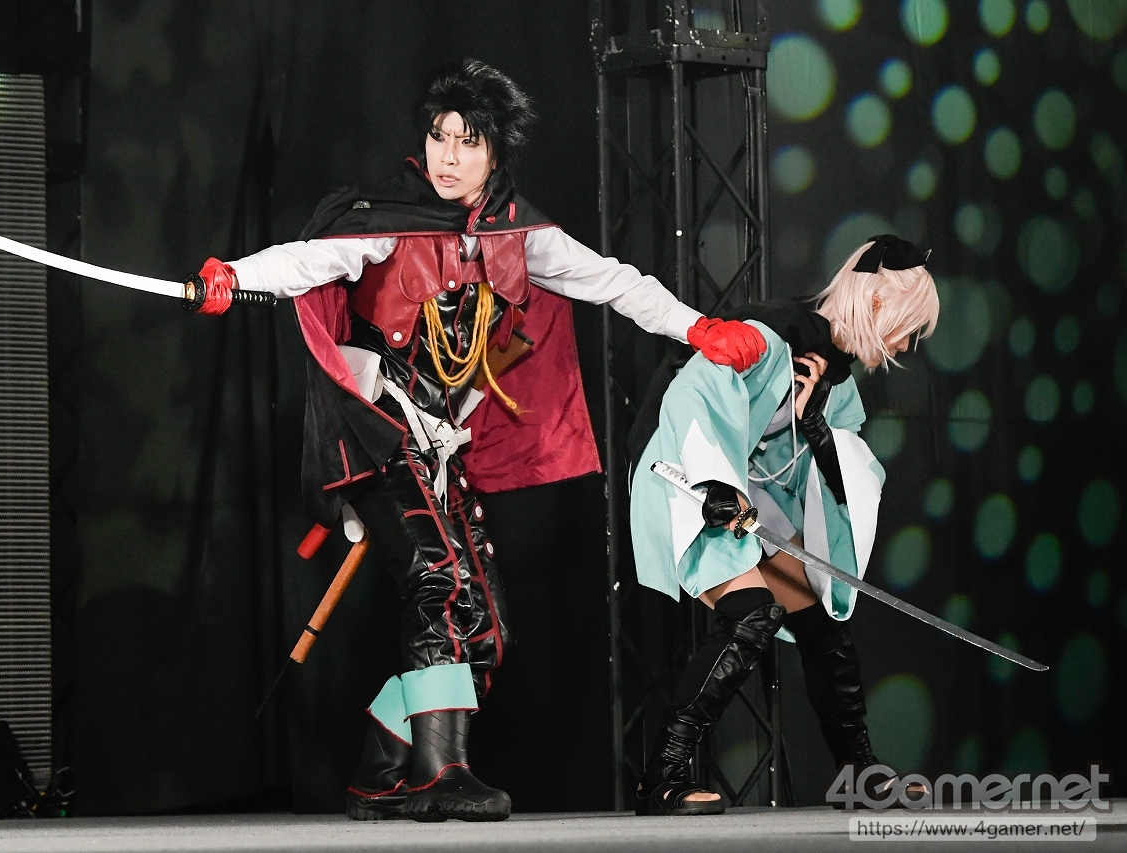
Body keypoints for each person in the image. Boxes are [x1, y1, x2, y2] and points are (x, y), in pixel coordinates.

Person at [186, 59, 765, 822]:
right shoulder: (386, 220)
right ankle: (441, 772)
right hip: (377, 431)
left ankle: (382, 771)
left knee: (483, 629)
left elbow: (614, 281)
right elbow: (305, 262)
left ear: (497, 152)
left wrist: (696, 327)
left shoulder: (518, 232)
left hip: (436, 445)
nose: (448, 157)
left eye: (468, 142)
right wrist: (234, 277)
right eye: (439, 137)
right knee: (438, 582)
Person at [629, 235, 940, 815]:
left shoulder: (839, 387)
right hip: (685, 478)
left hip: (747, 495)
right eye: (908, 329)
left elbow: (833, 479)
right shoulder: (768, 336)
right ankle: (663, 776)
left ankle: (860, 775)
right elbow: (691, 399)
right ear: (877, 304)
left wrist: (818, 431)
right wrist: (712, 485)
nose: (905, 345)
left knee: (822, 621)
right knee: (752, 615)